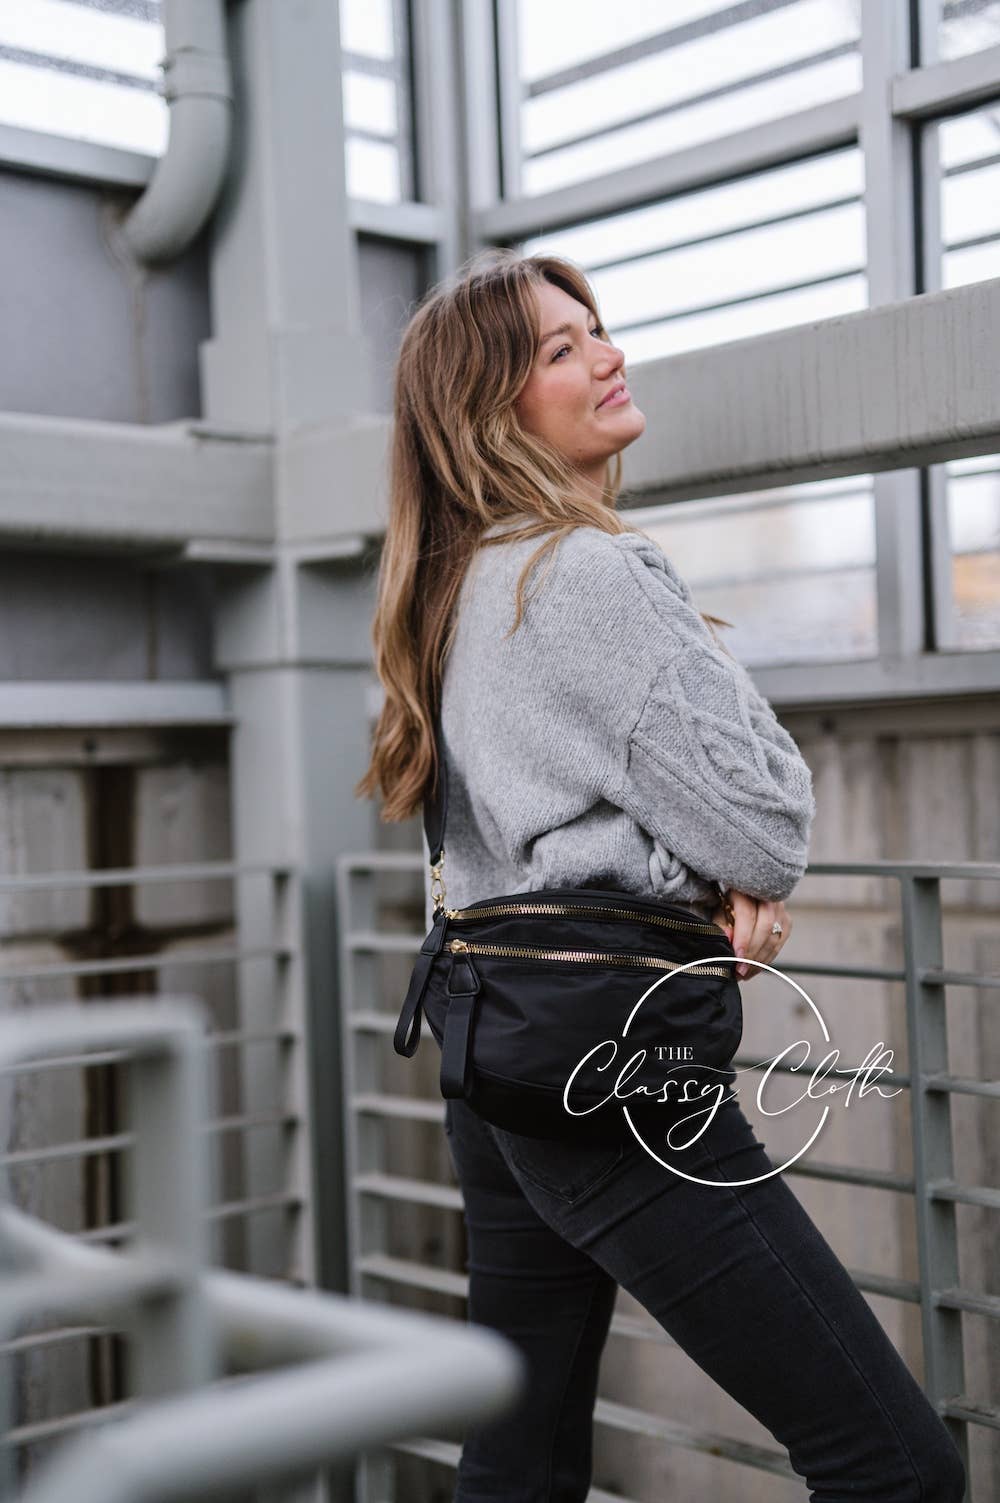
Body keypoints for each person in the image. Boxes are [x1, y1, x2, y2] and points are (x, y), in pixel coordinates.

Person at [356, 249, 967, 1503]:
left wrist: (697, 861)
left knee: (518, 1460)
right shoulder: (582, 572)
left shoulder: (456, 582)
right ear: (489, 411)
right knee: (896, 1467)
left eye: (597, 329)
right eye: (561, 348)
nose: (608, 355)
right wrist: (717, 871)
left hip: (498, 1059)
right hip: (611, 1079)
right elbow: (765, 826)